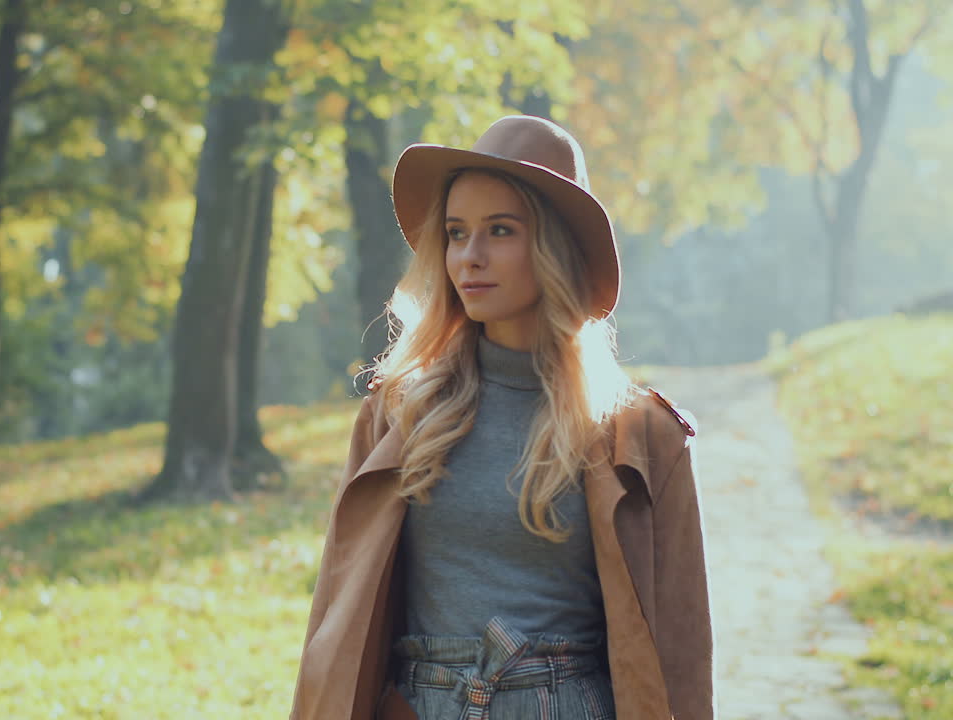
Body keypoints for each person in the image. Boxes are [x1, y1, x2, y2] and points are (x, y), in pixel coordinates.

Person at [288, 116, 714, 720]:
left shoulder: (642, 436)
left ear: (555, 247)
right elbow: (336, 615)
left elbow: (681, 651)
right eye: (457, 233)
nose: (470, 256)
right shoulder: (396, 415)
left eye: (500, 231)